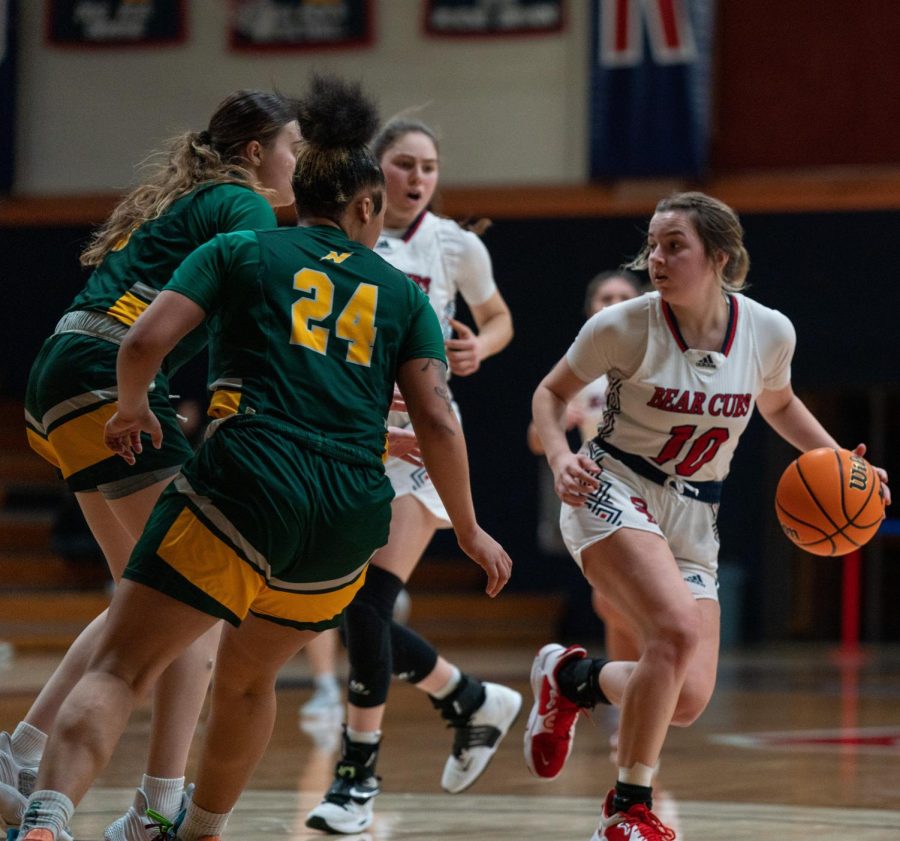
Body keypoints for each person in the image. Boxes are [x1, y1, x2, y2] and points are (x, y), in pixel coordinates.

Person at [13, 72, 512, 841]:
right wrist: (472, 529)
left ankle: (52, 807)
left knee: (129, 647)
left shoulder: (246, 246)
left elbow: (148, 340)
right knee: (246, 681)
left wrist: (137, 398)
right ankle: (188, 821)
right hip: (346, 508)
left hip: (218, 462)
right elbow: (439, 420)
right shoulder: (404, 294)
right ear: (364, 207)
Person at [525, 191, 891, 841]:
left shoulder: (769, 331)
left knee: (688, 696)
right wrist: (559, 457)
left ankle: (570, 677)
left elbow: (777, 404)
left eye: (674, 246)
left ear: (719, 257)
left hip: (696, 511)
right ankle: (628, 808)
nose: (656, 259)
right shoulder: (624, 324)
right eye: (653, 246)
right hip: (614, 483)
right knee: (672, 630)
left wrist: (841, 462)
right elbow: (549, 394)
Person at [5, 90, 302, 841]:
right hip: (112, 368)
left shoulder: (198, 199)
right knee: (193, 600)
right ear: (255, 154)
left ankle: (19, 754)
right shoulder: (245, 204)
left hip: (60, 373)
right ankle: (160, 807)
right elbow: (253, 318)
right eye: (294, 147)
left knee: (140, 601)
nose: (301, 162)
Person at [305, 115, 520, 835]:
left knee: (367, 606)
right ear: (377, 169)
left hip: (421, 439)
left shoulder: (456, 244)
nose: (418, 177)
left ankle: (356, 778)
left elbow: (498, 318)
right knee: (342, 604)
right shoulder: (344, 235)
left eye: (428, 166)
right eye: (403, 164)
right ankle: (465, 696)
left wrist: (478, 347)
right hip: (352, 436)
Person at [527, 269, 644, 666]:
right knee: (613, 599)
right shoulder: (580, 369)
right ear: (590, 309)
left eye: (622, 297)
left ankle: (625, 693)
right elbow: (535, 438)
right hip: (607, 493)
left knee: (629, 600)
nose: (612, 306)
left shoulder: (658, 359)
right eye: (604, 299)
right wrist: (558, 427)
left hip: (663, 493)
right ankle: (628, 700)